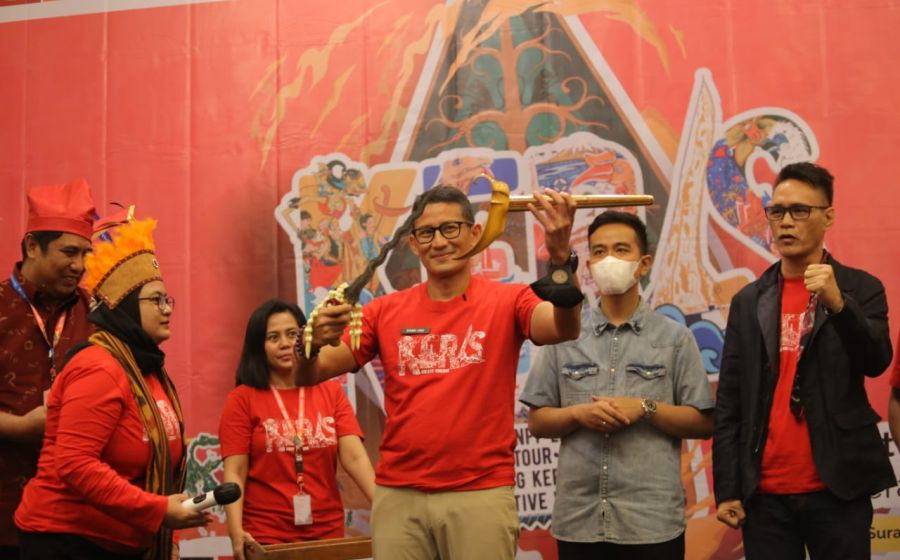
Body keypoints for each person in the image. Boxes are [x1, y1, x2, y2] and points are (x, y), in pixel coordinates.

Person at [295, 184, 583, 560]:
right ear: (413, 244)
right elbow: (309, 373)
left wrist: (561, 259)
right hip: (399, 496)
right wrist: (311, 343)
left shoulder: (510, 299)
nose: (440, 242)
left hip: (480, 492)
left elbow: (564, 328)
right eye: (427, 232)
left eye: (451, 228)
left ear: (475, 233)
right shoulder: (384, 311)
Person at [713, 162, 894, 559]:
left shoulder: (861, 287)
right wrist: (727, 488)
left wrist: (839, 305)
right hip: (765, 494)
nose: (785, 222)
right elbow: (729, 401)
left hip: (838, 486)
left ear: (828, 216)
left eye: (799, 210)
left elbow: (877, 360)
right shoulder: (749, 300)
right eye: (777, 211)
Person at [520, 211, 714, 560]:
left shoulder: (674, 338)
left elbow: (703, 422)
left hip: (652, 522)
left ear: (644, 264)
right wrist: (578, 414)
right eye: (599, 251)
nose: (609, 259)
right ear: (589, 265)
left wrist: (645, 408)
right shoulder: (565, 333)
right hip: (580, 522)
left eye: (621, 250)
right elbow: (537, 421)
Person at [15, 215, 210, 559]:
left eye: (168, 300)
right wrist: (157, 510)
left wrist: (164, 531)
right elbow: (75, 465)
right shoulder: (99, 366)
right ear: (125, 308)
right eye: (156, 300)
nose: (167, 310)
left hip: (121, 543)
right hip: (68, 543)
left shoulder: (147, 370)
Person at [219, 299, 375, 559]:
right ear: (259, 346)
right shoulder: (242, 399)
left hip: (327, 534)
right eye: (273, 337)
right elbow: (235, 471)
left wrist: (385, 508)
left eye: (292, 334)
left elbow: (355, 458)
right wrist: (235, 532)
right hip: (267, 536)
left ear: (306, 338)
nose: (285, 344)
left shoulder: (331, 392)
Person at [0, 179, 97, 557]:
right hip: (6, 507)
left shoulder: (96, 313)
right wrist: (20, 427)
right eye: (69, 252)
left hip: (81, 517)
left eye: (86, 254)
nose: (80, 266)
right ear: (31, 247)